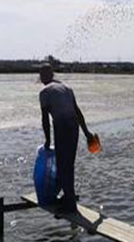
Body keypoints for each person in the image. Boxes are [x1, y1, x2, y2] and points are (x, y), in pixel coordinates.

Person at [39, 63, 94, 213]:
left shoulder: (44, 92)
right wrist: (87, 133)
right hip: (73, 126)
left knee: (63, 165)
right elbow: (77, 112)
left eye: (42, 75)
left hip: (62, 126)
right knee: (68, 163)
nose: (41, 78)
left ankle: (70, 204)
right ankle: (68, 198)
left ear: (45, 76)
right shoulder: (66, 88)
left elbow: (45, 119)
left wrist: (48, 141)